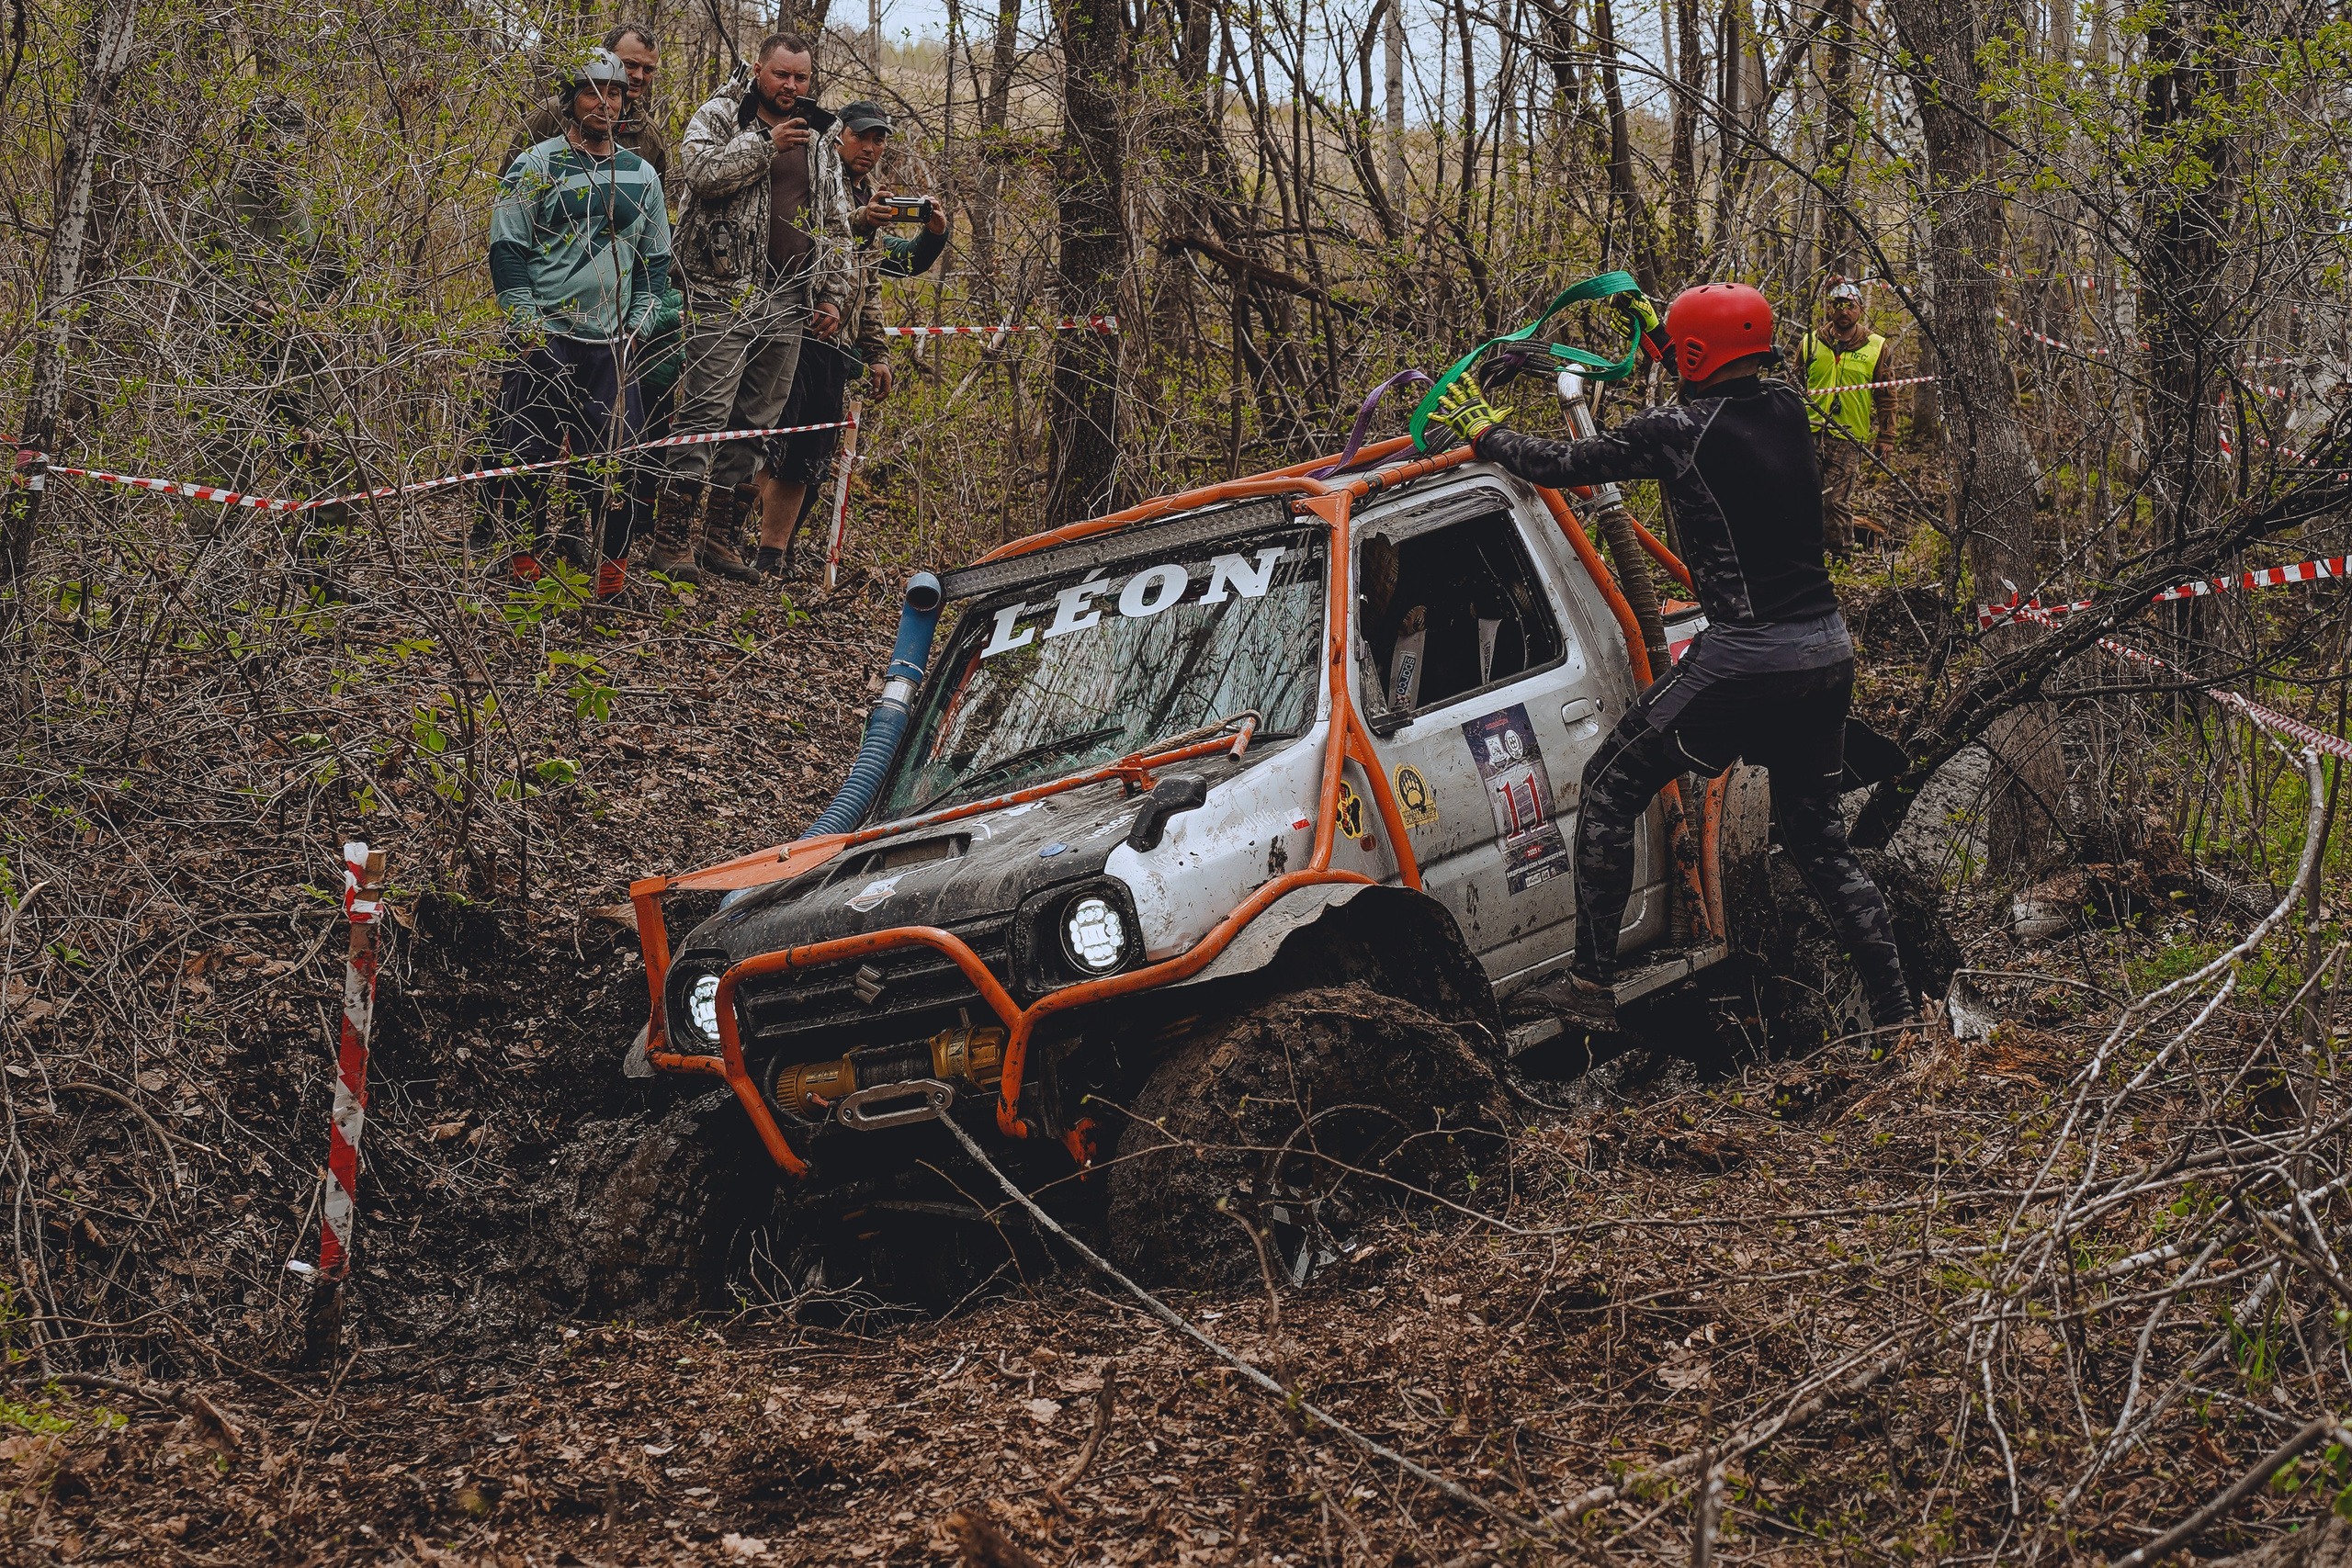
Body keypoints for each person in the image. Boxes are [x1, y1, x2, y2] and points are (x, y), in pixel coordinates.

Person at [1428, 282, 1919, 1032]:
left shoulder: (1675, 429)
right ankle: (1898, 1015)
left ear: (1696, 354)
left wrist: (1486, 432)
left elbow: (1564, 462)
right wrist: (1662, 336)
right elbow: (1716, 387)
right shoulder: (1787, 403)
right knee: (1817, 838)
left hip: (1749, 656)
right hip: (1827, 646)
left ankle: (1590, 987)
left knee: (1608, 784)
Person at [650, 32, 855, 585]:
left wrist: (834, 292)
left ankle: (720, 538)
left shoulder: (821, 134)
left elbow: (835, 222)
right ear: (759, 71)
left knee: (755, 424)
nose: (791, 86)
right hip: (721, 292)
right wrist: (765, 145)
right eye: (781, 75)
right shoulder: (722, 115)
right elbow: (696, 175)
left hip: (790, 300)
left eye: (801, 77)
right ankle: (670, 540)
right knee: (704, 416)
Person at [488, 49, 673, 581]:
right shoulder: (536, 164)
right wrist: (526, 323)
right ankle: (524, 575)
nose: (605, 103)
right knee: (529, 459)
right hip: (544, 338)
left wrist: (639, 324)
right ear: (571, 99)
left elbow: (655, 261)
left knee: (617, 463)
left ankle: (610, 579)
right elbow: (506, 248)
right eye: (593, 90)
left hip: (611, 345)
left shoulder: (643, 176)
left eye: (615, 92)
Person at [752, 99, 950, 579]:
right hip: (792, 329)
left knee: (810, 458)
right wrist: (863, 223)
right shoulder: (814, 179)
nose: (871, 147)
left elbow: (876, 277)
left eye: (880, 139)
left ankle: (775, 555)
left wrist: (878, 353)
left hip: (837, 345)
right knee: (769, 447)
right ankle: (737, 540)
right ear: (839, 135)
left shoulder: (869, 199)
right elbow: (814, 235)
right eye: (863, 136)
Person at [1798, 280, 1896, 560]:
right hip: (1809, 433)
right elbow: (1793, 387)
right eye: (1837, 305)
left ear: (1860, 309)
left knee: (1834, 500)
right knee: (1805, 497)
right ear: (1828, 308)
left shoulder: (1877, 347)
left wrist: (1886, 437)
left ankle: (1841, 556)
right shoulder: (1810, 342)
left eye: (1850, 306)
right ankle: (1808, 555)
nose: (1843, 311)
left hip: (1849, 438)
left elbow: (1887, 396)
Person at [503, 23, 669, 180]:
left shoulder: (649, 134)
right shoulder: (552, 114)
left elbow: (653, 202)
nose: (639, 76)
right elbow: (509, 189)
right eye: (630, 64)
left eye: (648, 69)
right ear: (606, 57)